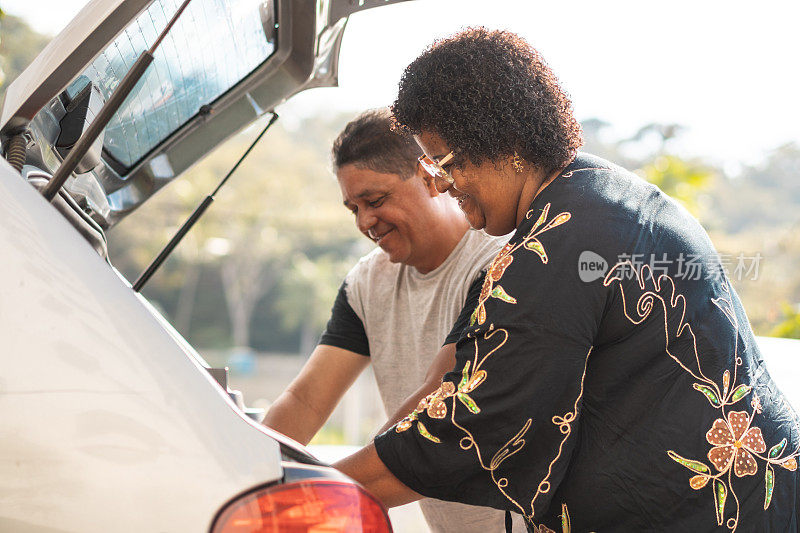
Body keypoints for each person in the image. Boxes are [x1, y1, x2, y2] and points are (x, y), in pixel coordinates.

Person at [335, 29, 800, 532]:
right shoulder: (596, 196)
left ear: (501, 141)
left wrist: (310, 493)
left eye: (442, 162)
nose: (442, 184)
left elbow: (471, 423)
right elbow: (462, 378)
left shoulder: (562, 241)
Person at [263, 108, 512, 532]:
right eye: (353, 208)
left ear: (430, 176)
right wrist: (249, 470)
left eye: (375, 201)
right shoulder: (367, 282)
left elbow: (436, 407)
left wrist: (308, 498)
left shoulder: (498, 263)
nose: (364, 222)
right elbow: (305, 400)